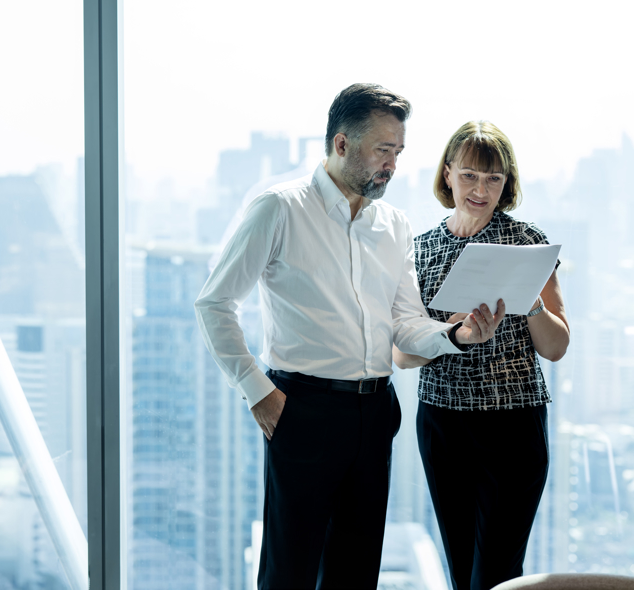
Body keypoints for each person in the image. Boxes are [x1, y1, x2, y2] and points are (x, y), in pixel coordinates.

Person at [194, 84, 506, 589]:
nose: (393, 164)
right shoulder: (280, 209)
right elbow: (214, 302)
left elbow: (405, 323)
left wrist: (458, 334)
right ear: (342, 144)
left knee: (356, 575)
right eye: (384, 150)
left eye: (399, 152)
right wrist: (259, 393)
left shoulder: (393, 224)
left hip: (375, 412)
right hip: (302, 410)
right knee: (289, 573)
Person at [393, 120, 570, 590]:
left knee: (495, 574)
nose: (480, 188)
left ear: (506, 184)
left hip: (514, 422)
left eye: (493, 178)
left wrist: (528, 299)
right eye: (470, 174)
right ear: (447, 174)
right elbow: (401, 355)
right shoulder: (420, 249)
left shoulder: (529, 243)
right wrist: (453, 332)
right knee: (462, 569)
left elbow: (556, 347)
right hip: (443, 424)